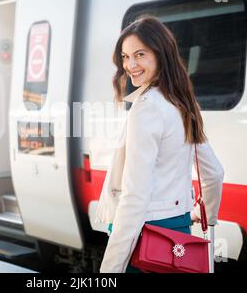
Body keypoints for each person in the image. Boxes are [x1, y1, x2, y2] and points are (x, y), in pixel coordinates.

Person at [95, 16, 224, 273]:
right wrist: (205, 215)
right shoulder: (183, 103)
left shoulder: (147, 108)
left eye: (139, 54)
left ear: (161, 54)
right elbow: (215, 173)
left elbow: (135, 197)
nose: (130, 65)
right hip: (179, 233)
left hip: (144, 239)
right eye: (125, 56)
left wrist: (110, 269)